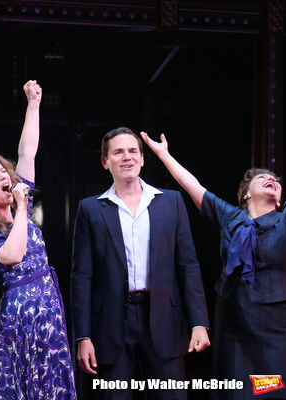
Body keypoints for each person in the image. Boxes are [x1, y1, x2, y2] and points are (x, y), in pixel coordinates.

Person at [141, 131, 286, 399]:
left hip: (277, 325)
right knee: (236, 392)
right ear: (246, 195)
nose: (271, 179)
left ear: (281, 199)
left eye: (275, 181)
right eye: (262, 178)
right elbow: (191, 184)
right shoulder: (231, 218)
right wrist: (163, 154)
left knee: (273, 391)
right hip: (234, 321)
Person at [0, 80, 77, 400]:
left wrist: (33, 104)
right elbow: (11, 255)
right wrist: (21, 209)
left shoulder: (22, 207)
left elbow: (27, 150)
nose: (5, 176)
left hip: (48, 310)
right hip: (19, 318)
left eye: (4, 171)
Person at [71, 127, 210, 400]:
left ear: (143, 158)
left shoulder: (171, 202)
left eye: (133, 151)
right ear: (105, 161)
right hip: (110, 325)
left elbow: (188, 265)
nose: (127, 157)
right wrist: (82, 336)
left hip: (165, 319)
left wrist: (199, 322)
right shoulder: (90, 208)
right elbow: (82, 276)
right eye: (118, 152)